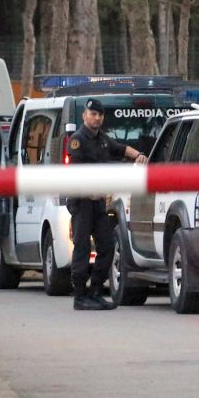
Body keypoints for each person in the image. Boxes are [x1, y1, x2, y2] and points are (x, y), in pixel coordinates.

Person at [67, 98, 148, 310]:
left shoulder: (102, 139)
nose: (96, 118)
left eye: (100, 115)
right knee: (82, 248)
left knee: (107, 247)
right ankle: (80, 296)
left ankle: (95, 291)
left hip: (99, 203)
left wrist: (138, 155)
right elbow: (76, 171)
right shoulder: (77, 140)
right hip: (82, 202)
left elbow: (120, 148)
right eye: (93, 114)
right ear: (85, 115)